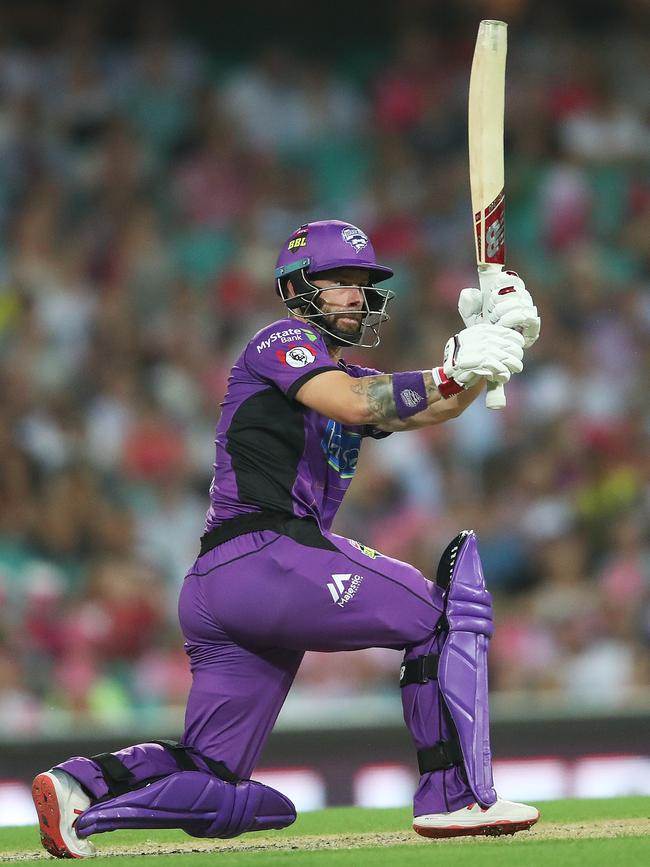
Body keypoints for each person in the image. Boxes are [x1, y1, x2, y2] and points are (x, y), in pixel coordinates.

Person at [32, 220, 541, 858]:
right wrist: (451, 367)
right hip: (266, 554)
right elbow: (361, 403)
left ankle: (79, 792)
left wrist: (492, 346)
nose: (356, 294)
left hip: (225, 586)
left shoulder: (344, 371)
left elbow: (424, 405)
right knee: (443, 614)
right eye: (340, 281)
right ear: (299, 289)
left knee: (214, 774)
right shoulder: (283, 339)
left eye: (364, 283)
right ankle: (455, 797)